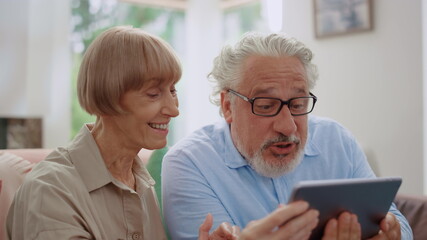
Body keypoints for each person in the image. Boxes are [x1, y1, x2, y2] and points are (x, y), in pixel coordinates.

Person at [162, 32, 413, 240]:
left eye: (297, 103)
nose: (288, 126)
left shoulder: (337, 140)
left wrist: (392, 232)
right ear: (228, 106)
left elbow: (397, 221)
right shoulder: (189, 162)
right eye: (266, 105)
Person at [4, 26, 238, 240]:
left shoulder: (142, 184)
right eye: (154, 94)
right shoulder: (51, 192)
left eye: (173, 90)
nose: (174, 110)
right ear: (108, 95)